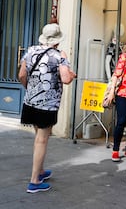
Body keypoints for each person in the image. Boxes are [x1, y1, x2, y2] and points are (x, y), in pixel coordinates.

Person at [19, 23, 77, 193]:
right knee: (42, 139)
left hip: (30, 101)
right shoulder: (59, 55)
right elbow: (65, 79)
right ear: (58, 40)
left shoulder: (30, 51)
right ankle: (34, 181)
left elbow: (22, 74)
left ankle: (41, 171)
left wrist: (29, 89)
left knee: (39, 137)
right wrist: (72, 75)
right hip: (48, 104)